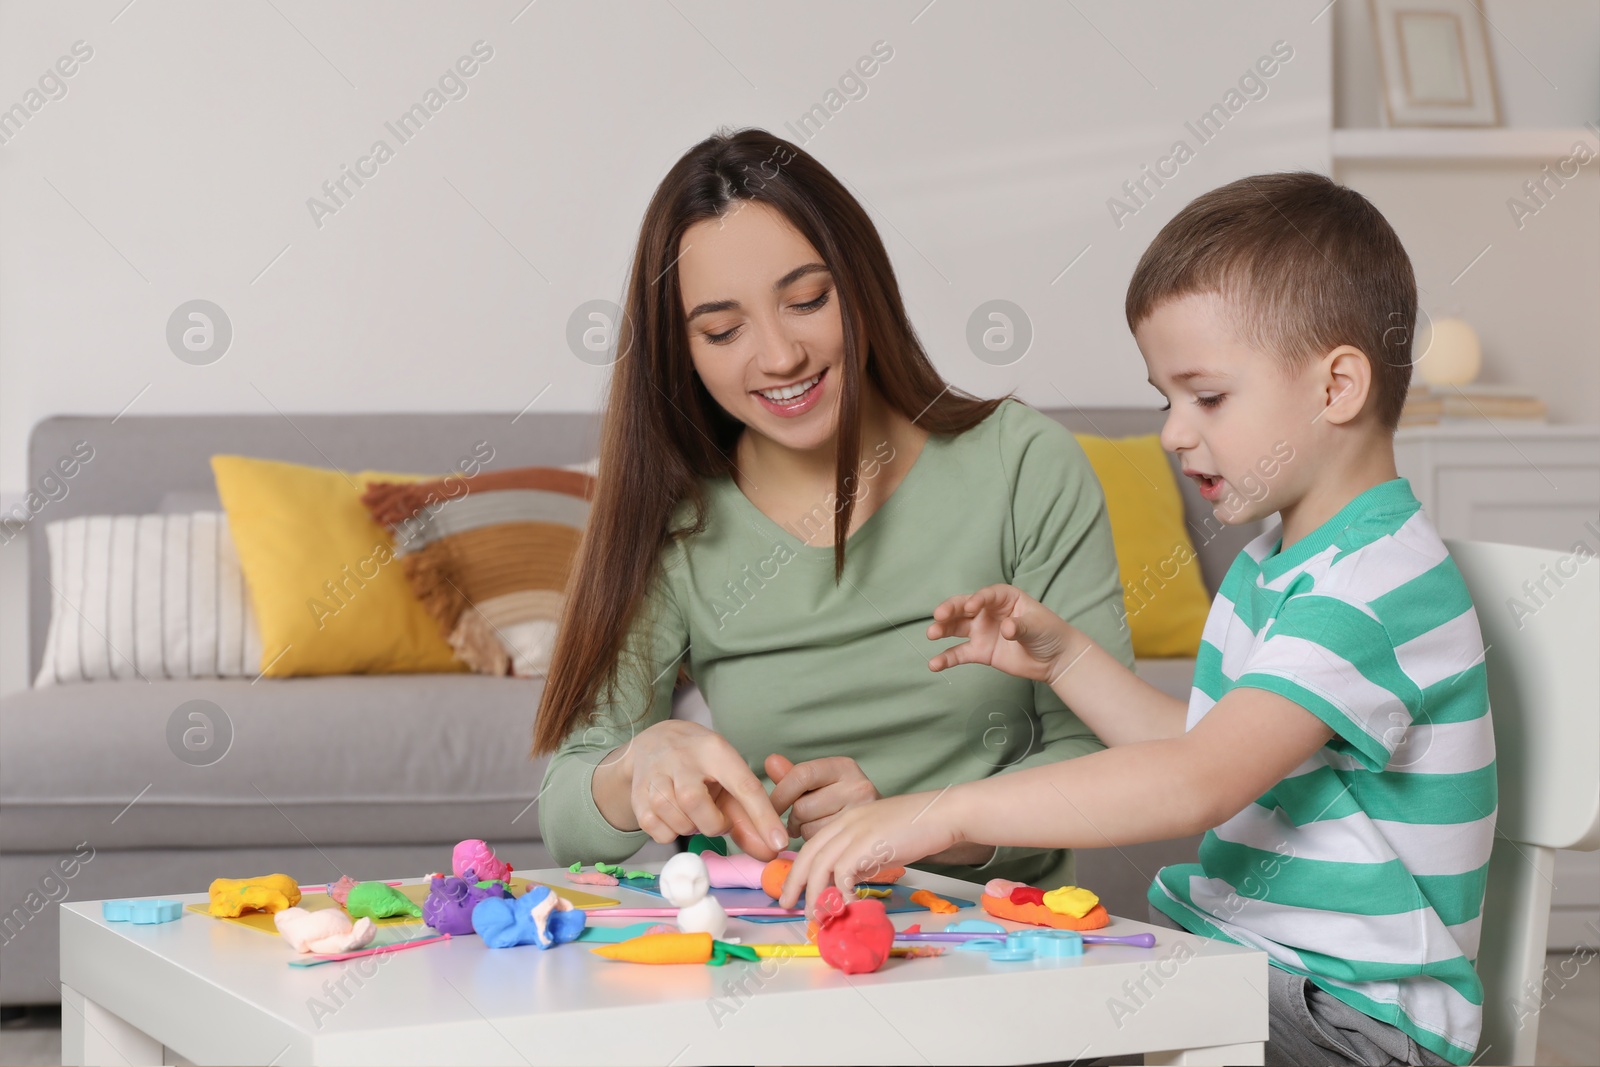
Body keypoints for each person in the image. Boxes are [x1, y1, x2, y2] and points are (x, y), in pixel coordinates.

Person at [780, 172, 1492, 1067]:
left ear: (1337, 385)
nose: (1173, 433)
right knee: (1007, 1009)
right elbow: (1210, 741)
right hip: (1258, 978)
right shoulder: (1280, 562)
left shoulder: (1379, 583)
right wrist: (1069, 657)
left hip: (1351, 1020)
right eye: (1165, 399)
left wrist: (940, 810)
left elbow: (1198, 779)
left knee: (1037, 1023)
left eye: (1208, 396)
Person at [531, 128, 1133, 893]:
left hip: (999, 940)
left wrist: (919, 821)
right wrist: (636, 767)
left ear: (861, 284)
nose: (780, 356)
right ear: (680, 351)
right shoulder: (678, 520)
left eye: (808, 300)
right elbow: (565, 809)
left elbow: (1105, 755)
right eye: (723, 330)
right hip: (775, 947)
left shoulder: (1022, 464)